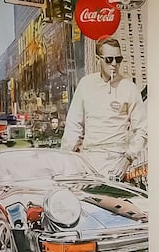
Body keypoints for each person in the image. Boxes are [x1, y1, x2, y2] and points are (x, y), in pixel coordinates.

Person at [61, 37, 147, 181]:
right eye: (109, 59)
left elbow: (143, 129)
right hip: (87, 161)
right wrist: (64, 161)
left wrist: (128, 159)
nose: (114, 64)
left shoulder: (129, 88)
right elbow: (73, 127)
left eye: (118, 59)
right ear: (97, 59)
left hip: (117, 161)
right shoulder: (85, 85)